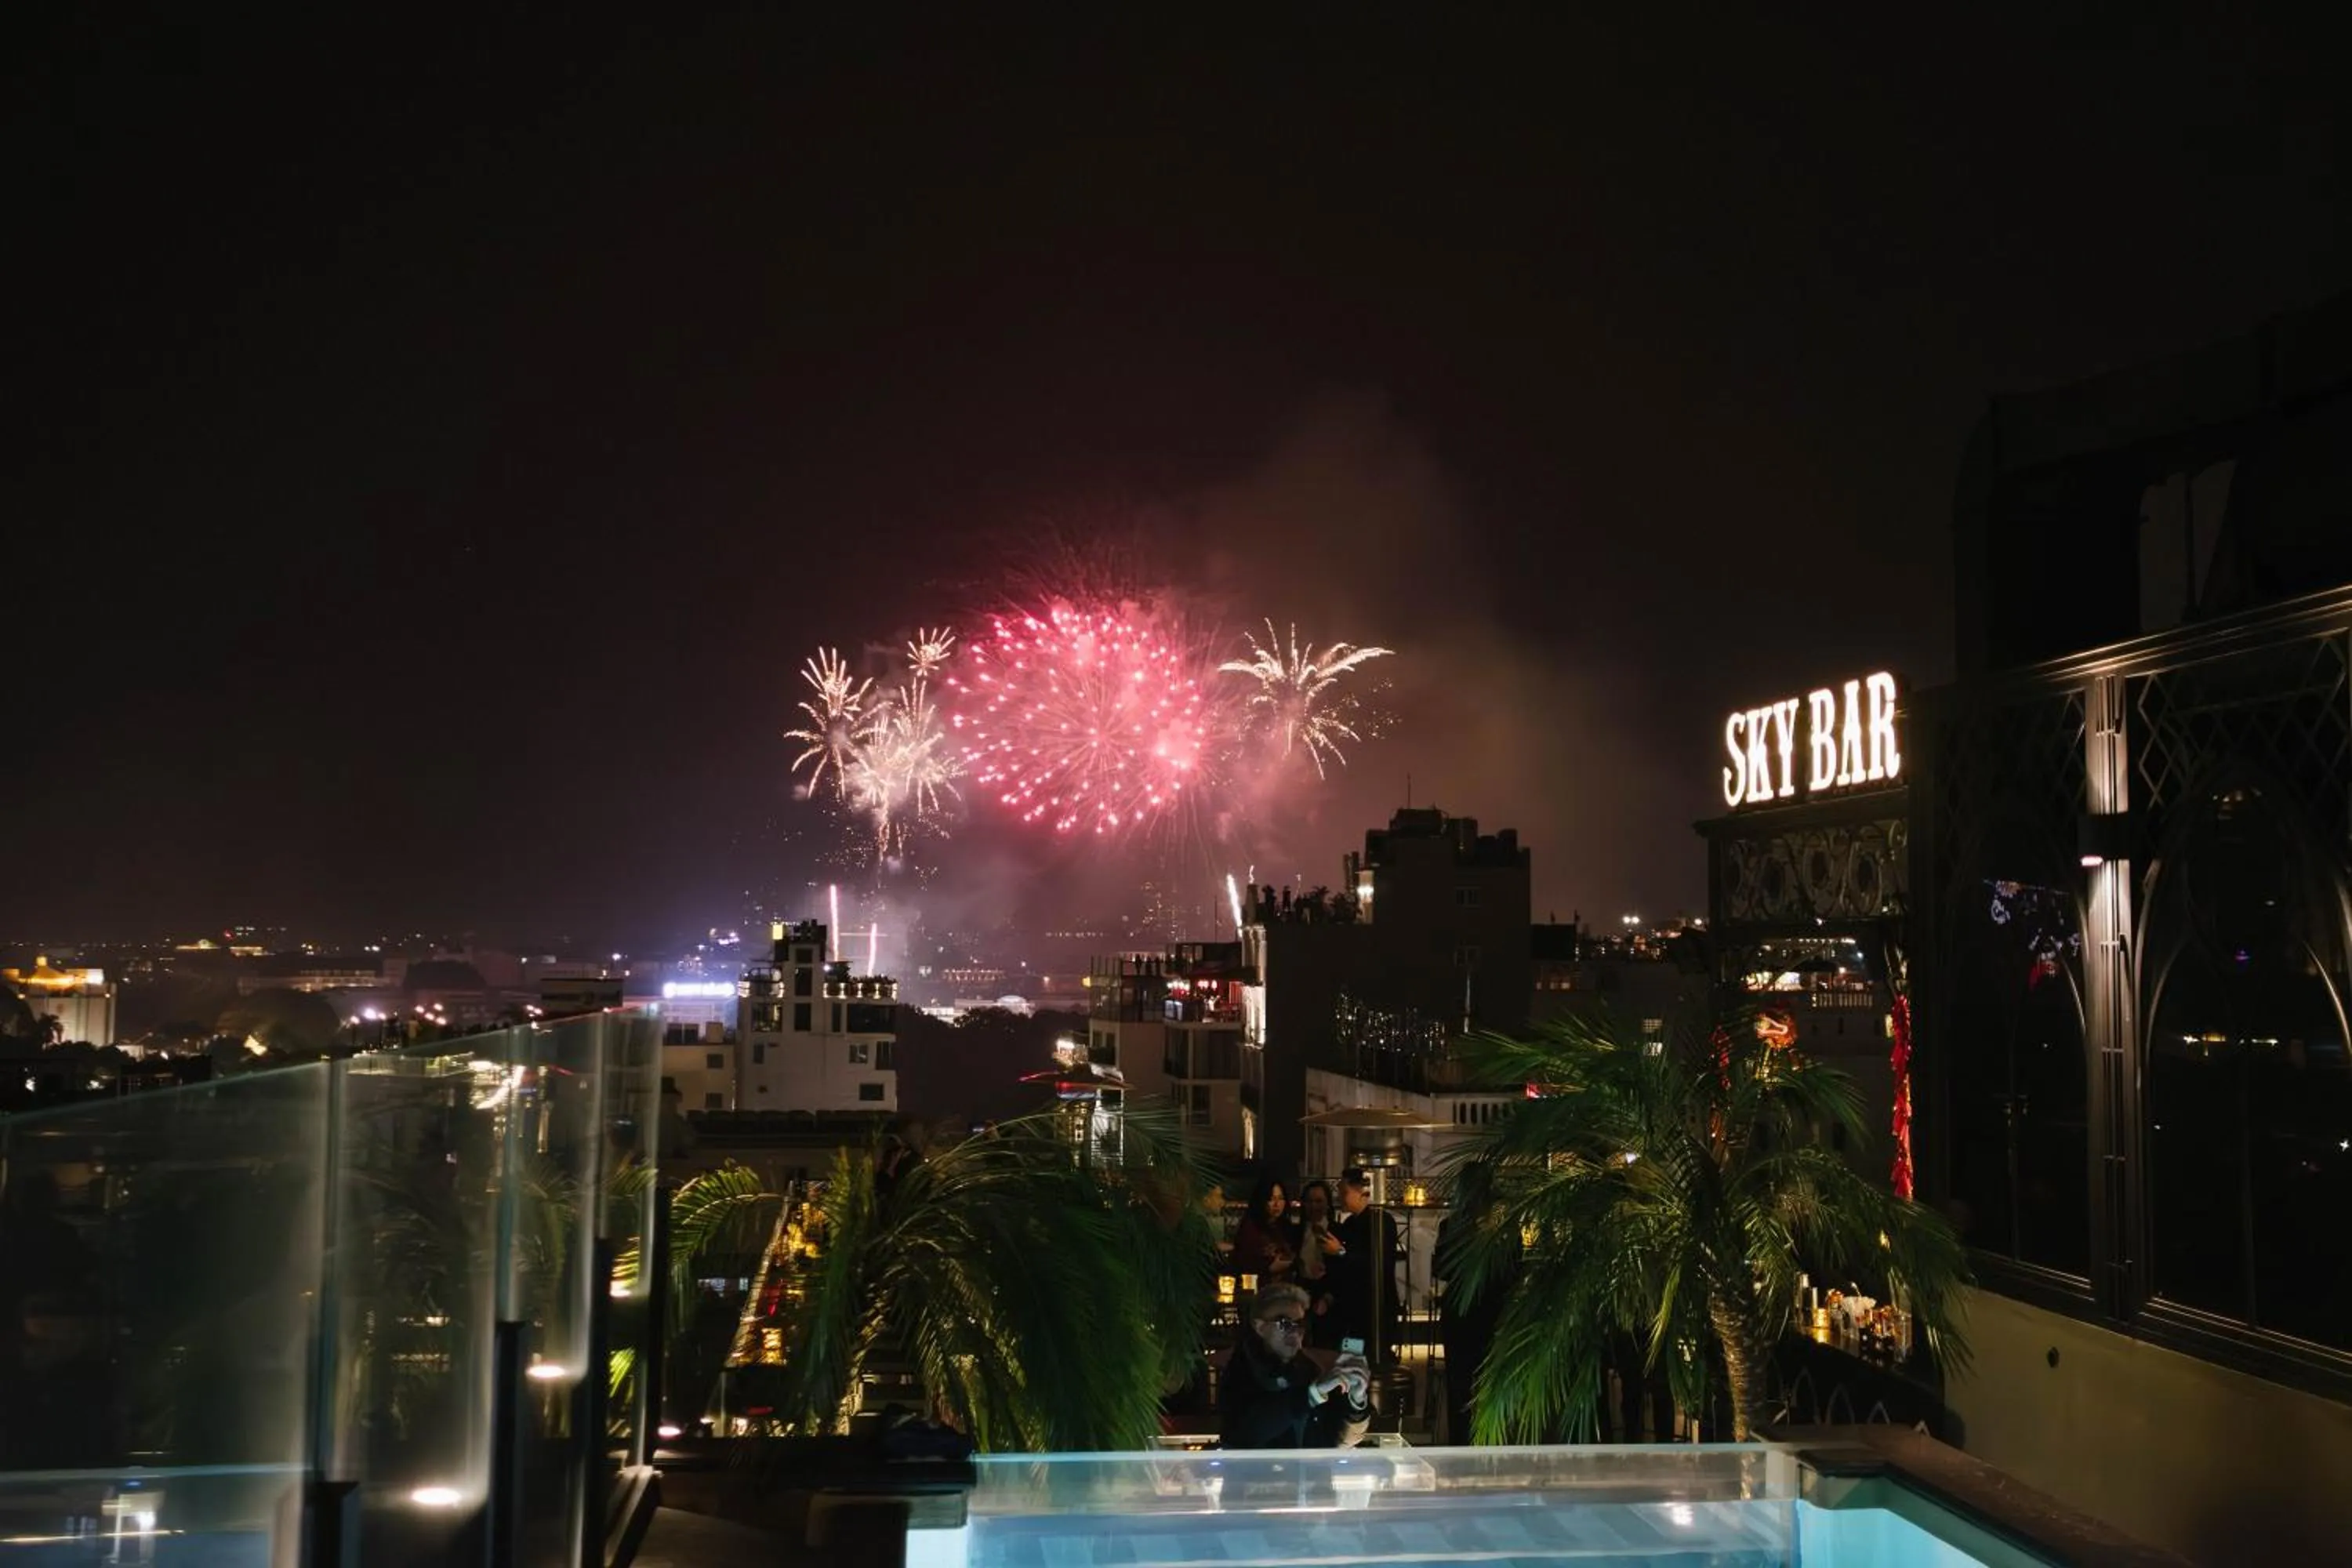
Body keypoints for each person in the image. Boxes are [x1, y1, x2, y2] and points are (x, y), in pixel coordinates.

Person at [1218, 1283, 1370, 1449]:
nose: (1296, 1331)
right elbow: (1244, 1433)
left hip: (1311, 1474)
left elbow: (1339, 1441)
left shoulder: (1311, 1369)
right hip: (1260, 1474)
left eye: (1300, 1324)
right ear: (1260, 1327)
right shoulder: (1240, 1371)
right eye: (1284, 1323)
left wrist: (1356, 1402)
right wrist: (1312, 1394)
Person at [1324, 1167, 1403, 1364]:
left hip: (1375, 1307)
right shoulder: (1350, 1223)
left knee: (1374, 1360)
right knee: (1352, 1360)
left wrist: (1340, 1252)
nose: (1340, 1197)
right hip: (1353, 1310)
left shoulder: (1382, 1221)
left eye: (1344, 1192)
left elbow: (1377, 1263)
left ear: (1362, 1192)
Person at [1230, 1174, 1300, 1286]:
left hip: (1285, 1290)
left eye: (1281, 1198)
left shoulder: (1285, 1227)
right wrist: (1269, 1268)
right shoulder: (1251, 1228)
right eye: (1271, 1199)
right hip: (1259, 1292)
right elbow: (1244, 1264)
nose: (1277, 1204)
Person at [1295, 1179, 1341, 1339]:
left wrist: (1328, 1298)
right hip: (1300, 1294)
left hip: (1330, 1295)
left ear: (1328, 1204)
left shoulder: (1338, 1231)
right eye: (1309, 1201)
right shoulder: (1295, 1232)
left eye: (1319, 1201)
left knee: (1325, 1345)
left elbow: (1344, 1267)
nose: (1314, 1206)